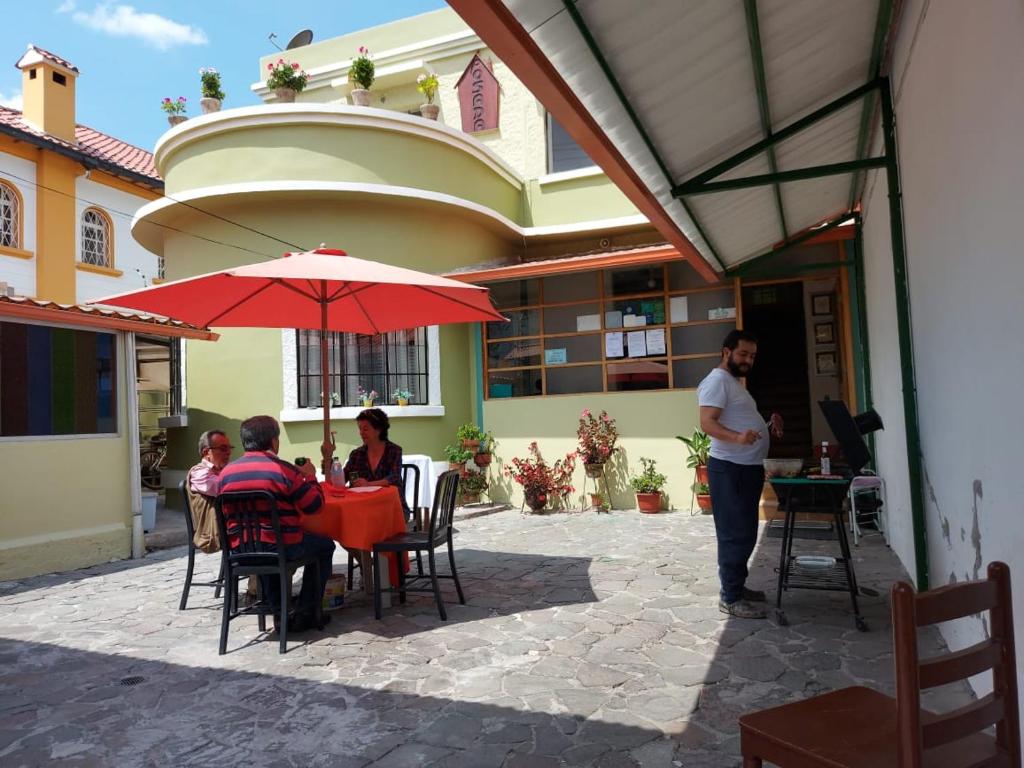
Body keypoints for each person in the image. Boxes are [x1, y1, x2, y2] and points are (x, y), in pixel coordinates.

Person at [218, 415, 336, 632]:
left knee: (265, 544)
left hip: (240, 550)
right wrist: (310, 477)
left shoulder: (226, 474)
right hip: (281, 546)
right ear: (274, 441)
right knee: (325, 545)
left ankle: (279, 613)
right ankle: (306, 612)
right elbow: (314, 506)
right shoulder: (282, 470)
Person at [698, 329, 784, 620]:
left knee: (746, 531)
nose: (748, 360)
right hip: (729, 469)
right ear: (726, 352)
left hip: (745, 469)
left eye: (752, 356)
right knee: (735, 533)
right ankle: (730, 597)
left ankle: (737, 585)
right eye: (743, 354)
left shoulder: (733, 383)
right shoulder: (716, 382)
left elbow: (740, 420)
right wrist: (737, 438)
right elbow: (707, 424)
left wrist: (766, 426)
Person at [343, 408, 409, 518]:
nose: (361, 433)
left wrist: (368, 484)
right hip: (362, 507)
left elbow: (394, 477)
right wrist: (329, 461)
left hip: (391, 507)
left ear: (378, 430)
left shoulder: (394, 451)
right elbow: (342, 478)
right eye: (360, 429)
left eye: (365, 429)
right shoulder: (356, 454)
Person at [185, 430, 233, 553]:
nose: (228, 452)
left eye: (229, 448)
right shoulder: (199, 473)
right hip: (212, 534)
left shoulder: (223, 470)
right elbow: (225, 489)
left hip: (228, 527)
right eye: (223, 448)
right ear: (207, 452)